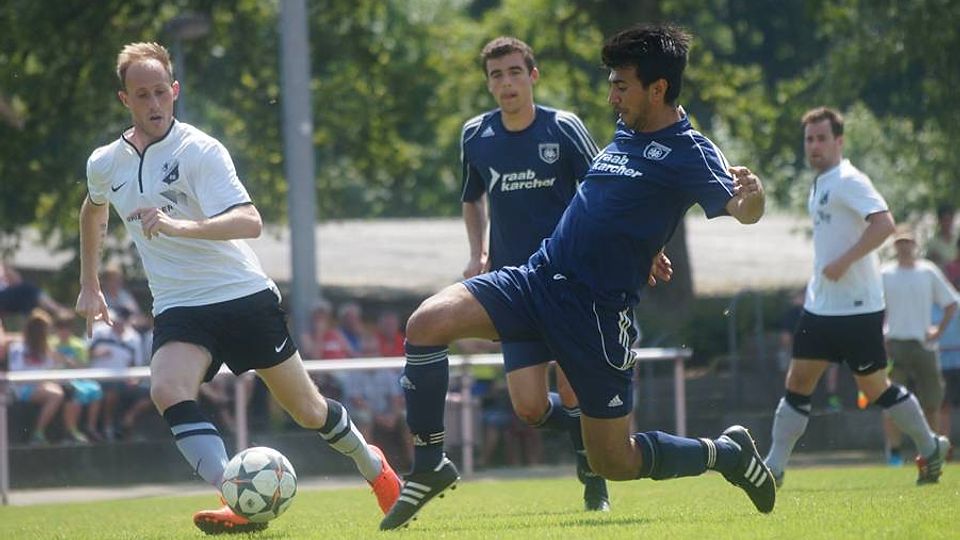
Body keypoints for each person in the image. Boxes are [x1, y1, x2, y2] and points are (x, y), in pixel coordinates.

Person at [381, 24, 772, 530]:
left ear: (658, 89)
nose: (612, 97)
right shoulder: (627, 129)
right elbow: (618, 201)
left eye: (621, 86)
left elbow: (743, 210)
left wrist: (754, 198)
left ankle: (726, 453)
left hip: (596, 315)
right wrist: (646, 244)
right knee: (425, 323)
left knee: (615, 460)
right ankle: (430, 464)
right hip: (536, 280)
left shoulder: (690, 151)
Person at [75, 42, 400, 534]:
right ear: (125, 100)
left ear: (175, 90)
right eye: (142, 95)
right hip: (180, 306)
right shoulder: (105, 162)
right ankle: (237, 497)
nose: (154, 103)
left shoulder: (200, 150)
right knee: (166, 388)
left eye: (161, 91)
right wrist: (90, 283)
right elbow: (93, 208)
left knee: (308, 411)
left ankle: (374, 466)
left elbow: (250, 221)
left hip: (241, 296)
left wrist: (180, 226)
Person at [459, 35, 610, 510]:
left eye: (515, 72)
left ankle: (595, 479)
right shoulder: (475, 135)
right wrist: (477, 252)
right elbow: (471, 199)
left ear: (533, 76)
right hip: (514, 287)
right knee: (528, 408)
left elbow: (603, 190)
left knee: (572, 386)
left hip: (568, 280)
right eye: (496, 75)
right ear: (489, 84)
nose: (506, 83)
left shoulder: (563, 127)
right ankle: (597, 432)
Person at [763, 107, 950, 487]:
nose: (814, 146)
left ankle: (930, 446)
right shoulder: (820, 182)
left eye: (821, 138)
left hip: (858, 309)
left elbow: (884, 224)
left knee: (875, 388)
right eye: (809, 139)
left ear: (839, 141)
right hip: (820, 307)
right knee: (797, 381)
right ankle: (773, 468)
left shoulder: (849, 179)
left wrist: (844, 261)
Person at [880, 227, 958, 465]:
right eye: (900, 242)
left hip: (924, 345)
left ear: (915, 244)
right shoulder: (885, 273)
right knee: (891, 403)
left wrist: (938, 330)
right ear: (895, 246)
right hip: (895, 345)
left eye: (908, 241)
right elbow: (873, 308)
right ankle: (894, 453)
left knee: (932, 402)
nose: (904, 246)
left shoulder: (928, 271)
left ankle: (931, 451)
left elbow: (951, 303)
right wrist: (880, 337)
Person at [7, 309, 87, 444]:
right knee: (56, 395)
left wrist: (61, 360)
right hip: (22, 388)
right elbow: (17, 372)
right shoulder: (18, 348)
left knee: (70, 390)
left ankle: (69, 432)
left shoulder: (46, 349)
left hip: (41, 385)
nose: (49, 333)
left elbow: (51, 369)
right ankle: (38, 433)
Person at [924, 205, 956, 270]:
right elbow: (926, 263)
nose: (947, 223)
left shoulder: (957, 240)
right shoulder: (932, 243)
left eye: (949, 220)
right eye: (944, 220)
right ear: (939, 221)